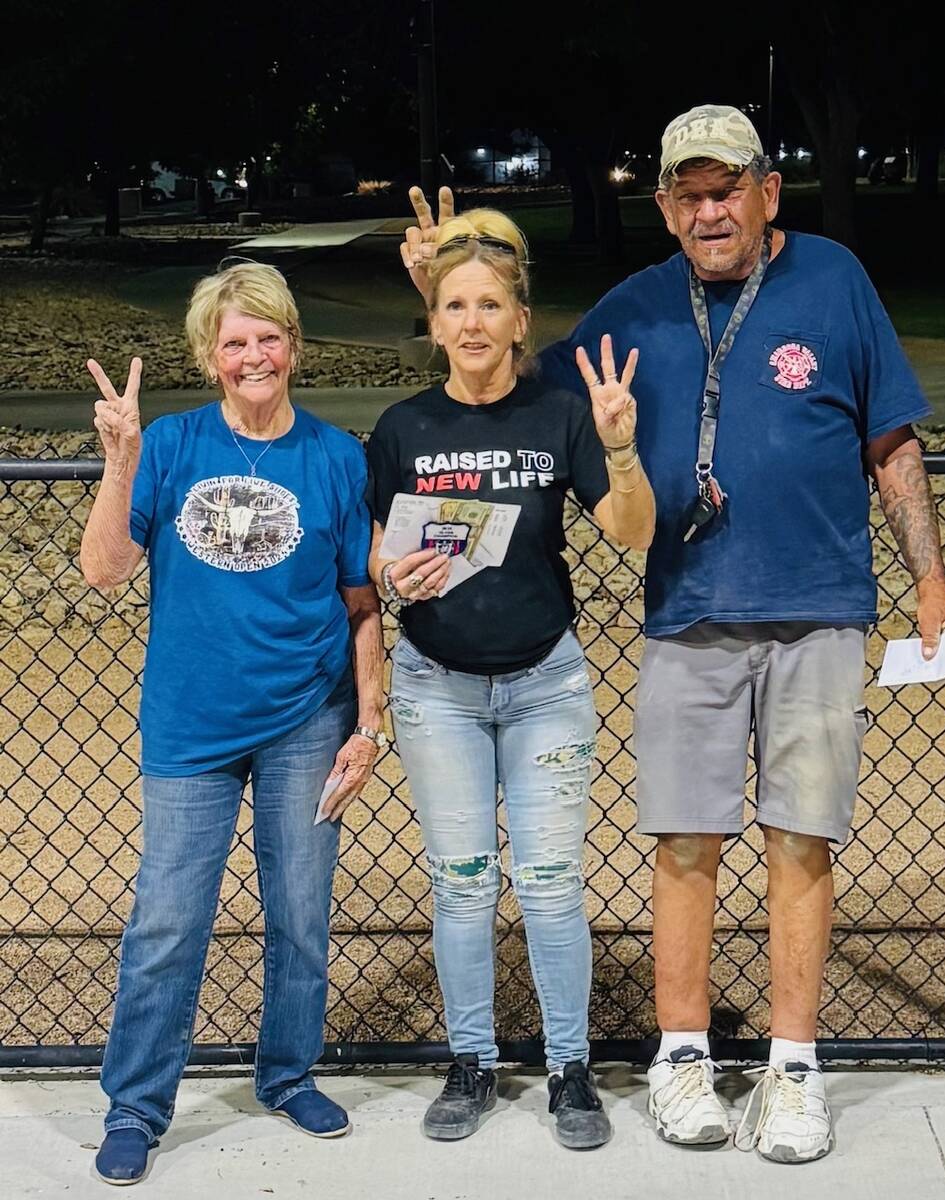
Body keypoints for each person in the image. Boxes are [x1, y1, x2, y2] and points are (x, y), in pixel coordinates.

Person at [404, 104, 945, 1164]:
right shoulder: (638, 305)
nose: (708, 211)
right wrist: (439, 289)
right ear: (663, 206)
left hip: (818, 608)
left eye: (725, 189)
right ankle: (680, 1056)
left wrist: (927, 582)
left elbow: (888, 440)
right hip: (688, 612)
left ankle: (792, 1067)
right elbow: (507, 373)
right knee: (683, 843)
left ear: (764, 191)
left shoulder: (833, 278)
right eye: (687, 194)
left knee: (802, 839)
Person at [80, 260, 384, 1185]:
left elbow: (364, 603)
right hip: (192, 723)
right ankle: (136, 1104)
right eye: (235, 341)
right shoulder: (170, 445)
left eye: (269, 337)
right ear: (211, 357)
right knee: (168, 922)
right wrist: (119, 456)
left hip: (308, 718)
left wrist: (368, 724)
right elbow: (103, 571)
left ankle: (287, 1074)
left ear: (293, 345)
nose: (254, 355)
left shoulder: (335, 456)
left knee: (300, 916)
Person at [370, 207, 654, 1149]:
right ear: (435, 320)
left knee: (548, 882)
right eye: (455, 305)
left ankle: (570, 1069)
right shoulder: (403, 427)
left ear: (520, 318)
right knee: (459, 885)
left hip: (545, 686)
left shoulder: (557, 414)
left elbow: (633, 531)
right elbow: (375, 554)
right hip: (437, 686)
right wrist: (388, 571)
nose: (473, 321)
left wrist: (618, 445)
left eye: (491, 303)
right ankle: (472, 1063)